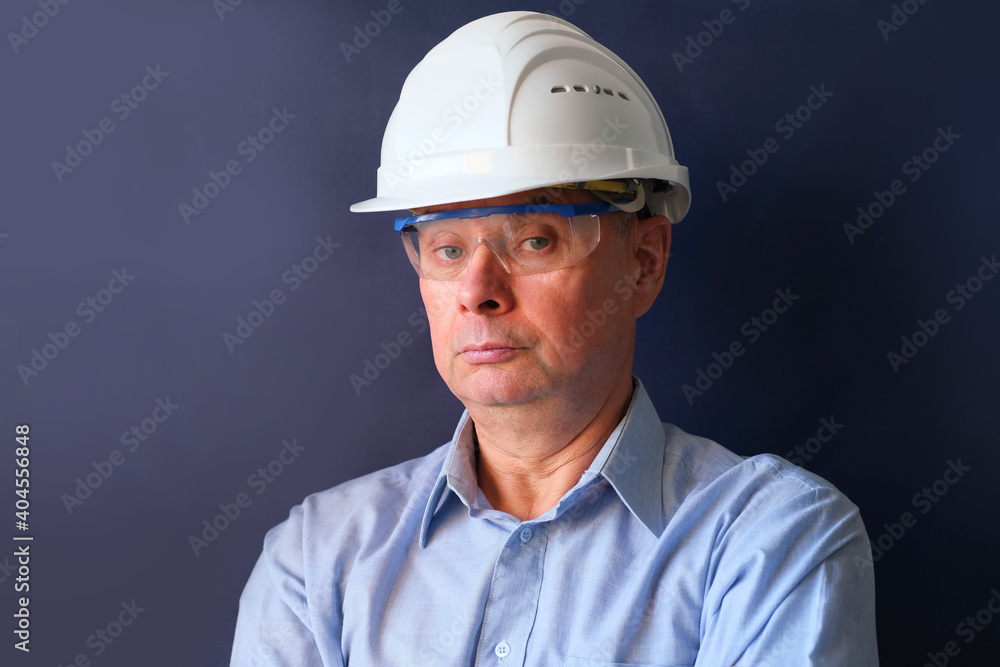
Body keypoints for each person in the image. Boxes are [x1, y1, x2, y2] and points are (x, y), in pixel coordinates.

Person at [231, 11, 878, 666]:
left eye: (534, 238)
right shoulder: (317, 564)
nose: (478, 289)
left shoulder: (769, 544)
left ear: (644, 263)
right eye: (448, 248)